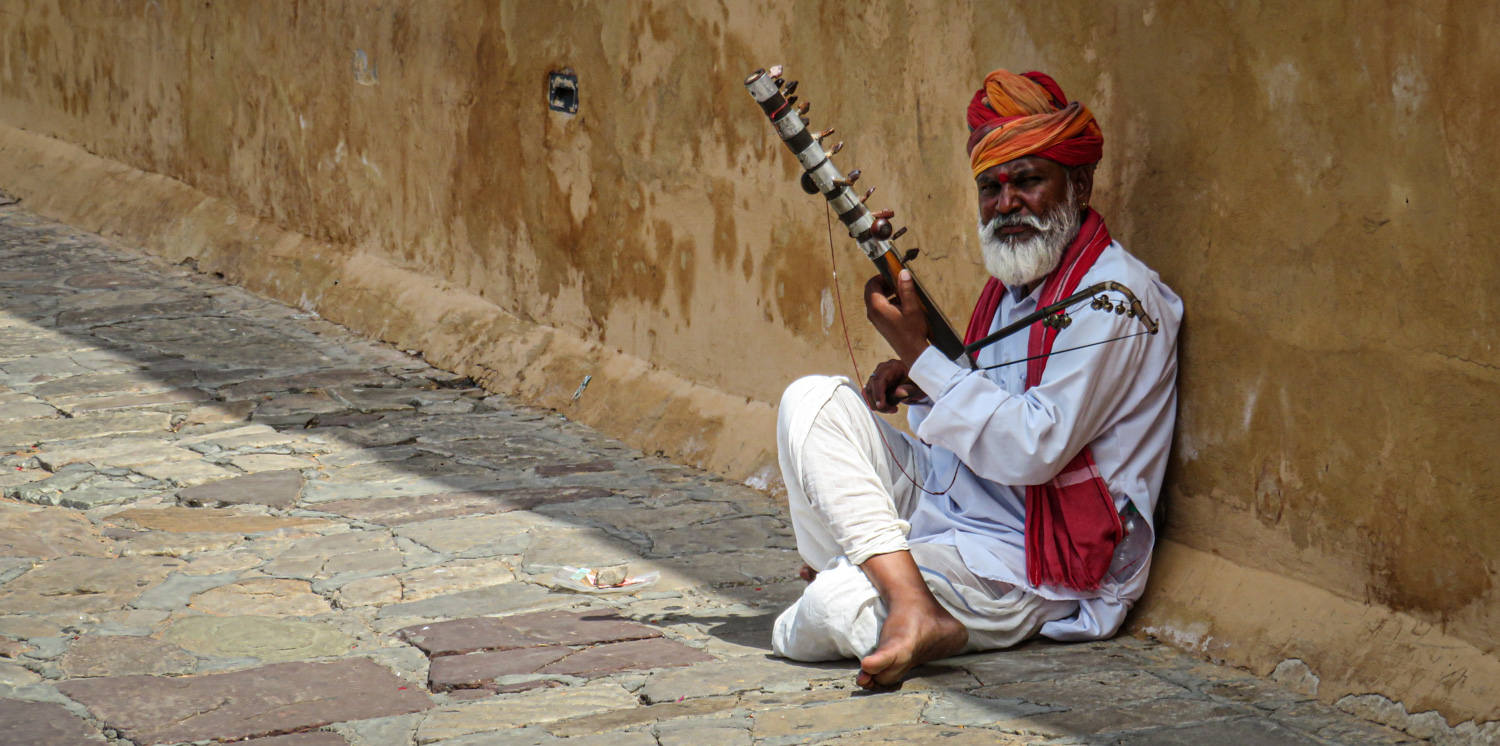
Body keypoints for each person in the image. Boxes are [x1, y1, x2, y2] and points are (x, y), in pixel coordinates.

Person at [770, 69, 1183, 689]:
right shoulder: (1013, 286)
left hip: (1030, 561)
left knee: (823, 612)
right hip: (952, 508)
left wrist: (924, 358)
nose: (1006, 203)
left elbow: (1035, 446)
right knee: (811, 401)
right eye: (991, 187)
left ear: (1080, 182)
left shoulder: (1114, 300)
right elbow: (979, 415)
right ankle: (906, 595)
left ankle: (880, 582)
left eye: (1027, 181)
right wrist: (922, 381)